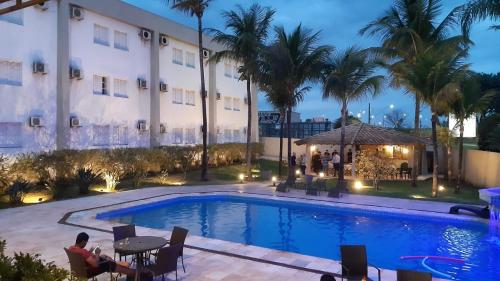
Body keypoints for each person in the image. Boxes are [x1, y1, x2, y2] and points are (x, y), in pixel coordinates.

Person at [68, 232, 142, 281]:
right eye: (86, 242)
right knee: (109, 263)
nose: (85, 244)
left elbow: (84, 258)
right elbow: (95, 264)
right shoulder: (82, 251)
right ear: (83, 241)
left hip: (78, 270)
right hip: (88, 271)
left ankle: (118, 263)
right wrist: (97, 254)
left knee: (104, 256)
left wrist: (90, 252)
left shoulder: (71, 248)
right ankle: (135, 273)